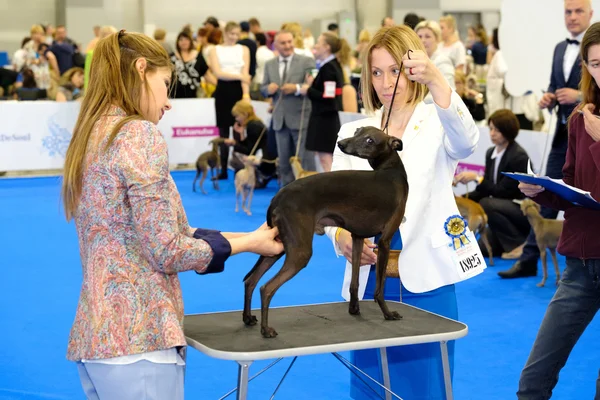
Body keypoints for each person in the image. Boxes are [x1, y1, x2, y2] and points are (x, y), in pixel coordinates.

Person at [61, 30, 283, 400]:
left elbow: (172, 230)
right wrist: (243, 247)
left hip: (99, 337)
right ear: (140, 68)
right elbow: (167, 249)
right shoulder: (138, 134)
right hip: (140, 340)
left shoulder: (93, 132)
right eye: (165, 84)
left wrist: (250, 240)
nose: (168, 103)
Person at [324, 25, 480, 399]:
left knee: (429, 386)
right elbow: (332, 208)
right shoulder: (354, 133)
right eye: (376, 72)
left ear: (415, 68)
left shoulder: (439, 121)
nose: (385, 82)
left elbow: (468, 141)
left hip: (428, 279)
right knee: (370, 386)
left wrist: (437, 78)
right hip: (368, 279)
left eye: (395, 70)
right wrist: (343, 238)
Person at [515, 21, 600, 399]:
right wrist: (542, 192)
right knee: (532, 382)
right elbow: (573, 184)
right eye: (595, 64)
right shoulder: (581, 116)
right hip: (579, 266)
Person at [499, 0, 592, 278]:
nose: (573, 17)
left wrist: (579, 97)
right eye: (568, 12)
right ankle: (529, 259)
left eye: (578, 11)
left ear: (591, 14)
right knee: (546, 194)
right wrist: (549, 97)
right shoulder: (560, 48)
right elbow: (555, 85)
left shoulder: (595, 49)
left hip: (591, 136)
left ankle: (583, 262)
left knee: (587, 198)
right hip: (562, 135)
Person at [454, 109, 531, 257]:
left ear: (508, 131)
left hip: (519, 209)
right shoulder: (491, 153)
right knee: (482, 249)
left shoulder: (518, 156)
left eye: (497, 130)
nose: (492, 133)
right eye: (491, 129)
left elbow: (502, 192)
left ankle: (519, 244)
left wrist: (477, 178)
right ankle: (507, 242)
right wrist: (459, 200)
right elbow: (484, 190)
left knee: (487, 203)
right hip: (501, 210)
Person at [261, 29, 316, 186]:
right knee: (284, 164)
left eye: (290, 42)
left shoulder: (307, 61)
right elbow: (263, 88)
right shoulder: (269, 64)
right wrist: (267, 89)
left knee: (305, 163)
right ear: (275, 45)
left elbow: (313, 86)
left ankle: (310, 201)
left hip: (301, 118)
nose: (287, 46)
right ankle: (287, 200)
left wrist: (297, 88)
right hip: (279, 120)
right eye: (283, 43)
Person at [208, 21, 251, 180]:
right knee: (224, 132)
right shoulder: (214, 50)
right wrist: (241, 77)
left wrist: (246, 95)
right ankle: (224, 169)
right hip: (222, 92)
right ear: (225, 33)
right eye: (231, 34)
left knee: (239, 131)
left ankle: (240, 169)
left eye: (236, 34)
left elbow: (245, 73)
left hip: (238, 92)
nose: (234, 37)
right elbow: (218, 73)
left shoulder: (244, 49)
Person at [302, 32, 345, 172]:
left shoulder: (329, 68)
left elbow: (328, 96)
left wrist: (308, 90)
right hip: (325, 116)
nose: (315, 46)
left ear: (326, 47)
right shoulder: (330, 66)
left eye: (318, 43)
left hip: (325, 118)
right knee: (324, 158)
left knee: (326, 159)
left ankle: (332, 191)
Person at [415, 20, 455, 90]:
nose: (423, 40)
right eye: (420, 37)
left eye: (427, 37)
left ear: (437, 39)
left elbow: (449, 91)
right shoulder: (415, 61)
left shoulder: (443, 61)